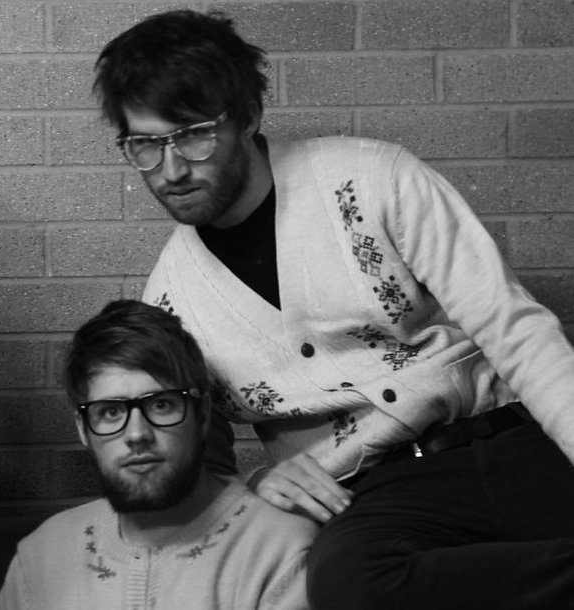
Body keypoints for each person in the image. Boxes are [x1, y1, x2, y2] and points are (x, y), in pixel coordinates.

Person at [92, 9, 574, 610]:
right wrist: (257, 483)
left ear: (248, 116)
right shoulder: (170, 302)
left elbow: (515, 331)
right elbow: (192, 467)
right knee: (346, 585)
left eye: (193, 134)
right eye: (145, 145)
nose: (171, 170)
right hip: (376, 497)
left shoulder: (374, 179)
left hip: (508, 440)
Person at [0, 300, 316, 610]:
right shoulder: (40, 556)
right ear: (83, 429)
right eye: (110, 412)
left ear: (202, 414)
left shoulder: (279, 550)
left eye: (161, 405)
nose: (137, 435)